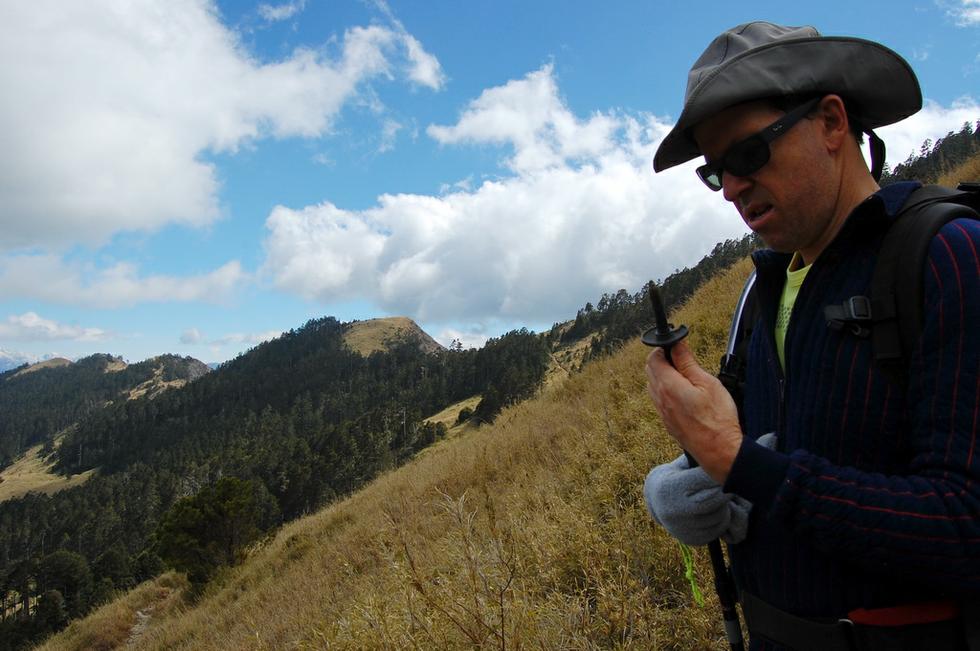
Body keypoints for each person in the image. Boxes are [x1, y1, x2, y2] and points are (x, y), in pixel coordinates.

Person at [643, 21, 980, 651]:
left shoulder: (949, 256)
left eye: (747, 153)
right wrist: (688, 482)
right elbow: (763, 446)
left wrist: (742, 465)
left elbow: (964, 526)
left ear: (830, 123)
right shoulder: (758, 291)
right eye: (716, 173)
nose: (733, 188)